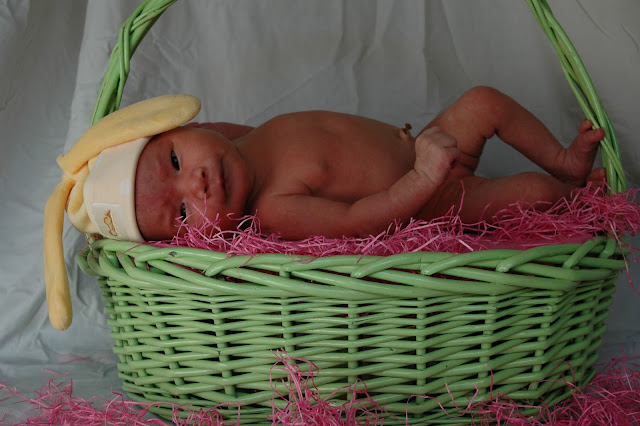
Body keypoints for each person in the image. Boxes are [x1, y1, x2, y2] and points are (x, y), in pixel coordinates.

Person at [135, 86, 605, 241]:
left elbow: (210, 133)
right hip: (435, 198)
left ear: (190, 124)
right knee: (533, 193)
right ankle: (576, 199)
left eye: (174, 159)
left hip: (427, 142)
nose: (196, 183)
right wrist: (424, 177)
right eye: (183, 213)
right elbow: (356, 221)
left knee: (482, 101)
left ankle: (564, 161)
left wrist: (425, 156)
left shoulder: (239, 139)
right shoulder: (274, 208)